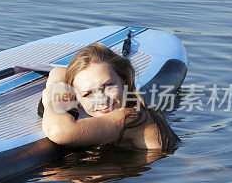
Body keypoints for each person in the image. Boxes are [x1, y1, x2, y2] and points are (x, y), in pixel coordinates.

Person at [40, 42, 179, 151]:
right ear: (78, 100)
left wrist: (51, 98)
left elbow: (58, 131)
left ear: (124, 81)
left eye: (108, 86)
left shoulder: (133, 118)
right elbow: (58, 71)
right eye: (88, 94)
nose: (102, 99)